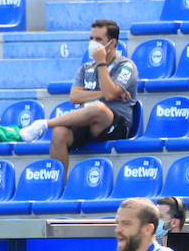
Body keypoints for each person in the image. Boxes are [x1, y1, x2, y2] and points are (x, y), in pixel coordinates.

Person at [17, 19, 137, 173]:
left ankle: (43, 124)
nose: (93, 43)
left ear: (112, 43)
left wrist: (101, 64)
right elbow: (75, 97)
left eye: (98, 39)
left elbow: (108, 94)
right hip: (87, 123)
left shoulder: (125, 65)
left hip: (114, 124)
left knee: (98, 108)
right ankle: (60, 187)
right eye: (91, 38)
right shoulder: (86, 68)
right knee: (59, 133)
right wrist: (105, 93)